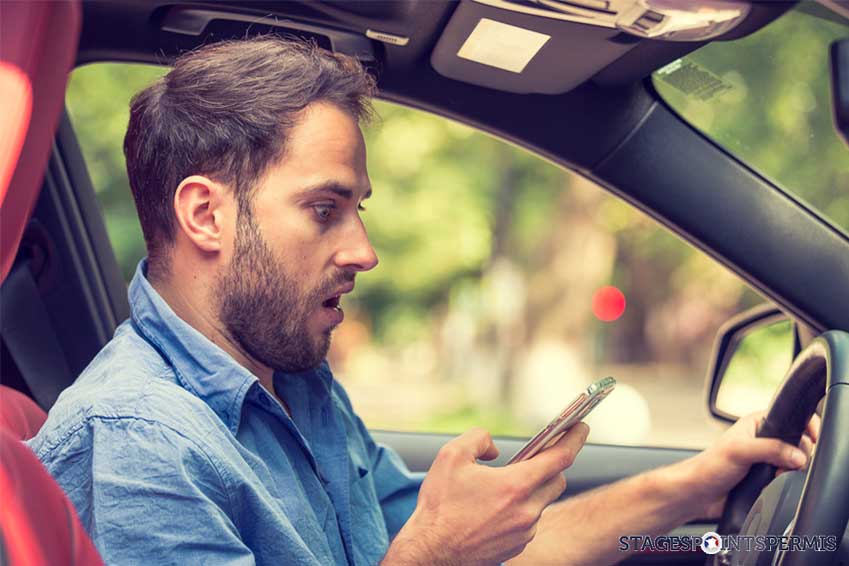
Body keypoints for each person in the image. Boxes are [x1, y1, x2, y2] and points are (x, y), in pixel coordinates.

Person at [28, 36, 817, 566]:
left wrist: (688, 484)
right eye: (323, 208)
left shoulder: (291, 380)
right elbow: (439, 551)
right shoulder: (135, 448)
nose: (364, 251)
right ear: (207, 215)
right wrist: (434, 552)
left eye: (358, 209)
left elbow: (474, 549)